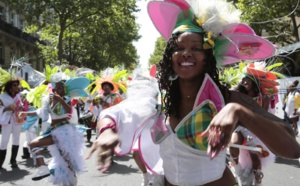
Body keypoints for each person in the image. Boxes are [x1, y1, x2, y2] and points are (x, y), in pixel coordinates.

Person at [87, 0, 300, 185]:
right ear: (170, 56)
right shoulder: (157, 97)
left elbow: (292, 148)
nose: (186, 53)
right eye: (179, 48)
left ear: (208, 57)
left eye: (196, 48)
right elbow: (120, 112)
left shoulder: (226, 99)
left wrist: (239, 112)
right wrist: (107, 130)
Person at [19, 74, 89, 185]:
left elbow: (68, 111)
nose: (56, 89)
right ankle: (43, 168)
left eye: (59, 88)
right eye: (56, 87)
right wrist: (25, 113)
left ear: (64, 89)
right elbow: (40, 112)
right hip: (53, 130)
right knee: (33, 144)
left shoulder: (66, 99)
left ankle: (72, 181)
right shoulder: (50, 100)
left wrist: (60, 100)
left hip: (65, 131)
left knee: (67, 160)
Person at [229, 63, 279, 185]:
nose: (245, 82)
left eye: (248, 80)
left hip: (255, 128)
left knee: (254, 155)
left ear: (255, 83)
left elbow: (265, 116)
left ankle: (257, 179)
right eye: (244, 80)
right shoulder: (238, 94)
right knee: (233, 145)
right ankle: (236, 167)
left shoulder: (263, 98)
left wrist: (265, 104)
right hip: (240, 126)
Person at [0, 78, 26, 169]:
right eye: (14, 85)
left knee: (16, 139)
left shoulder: (19, 95)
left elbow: (21, 105)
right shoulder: (2, 96)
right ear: (9, 86)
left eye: (17, 85)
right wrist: (7, 108)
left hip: (17, 119)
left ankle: (13, 161)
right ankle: (1, 162)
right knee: (4, 141)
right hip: (7, 120)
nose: (16, 87)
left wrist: (21, 107)